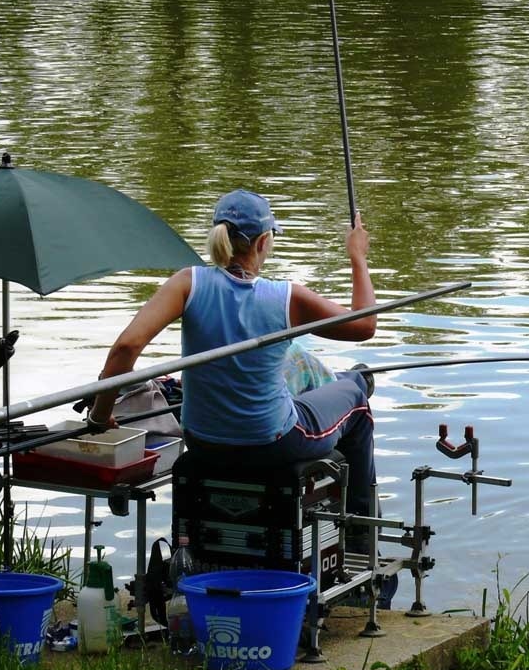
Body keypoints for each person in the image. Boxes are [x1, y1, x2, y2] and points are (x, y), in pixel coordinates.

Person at [88, 189, 378, 525]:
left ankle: (349, 381)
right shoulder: (286, 297)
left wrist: (100, 414)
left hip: (202, 441)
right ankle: (360, 529)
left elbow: (126, 347)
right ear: (262, 243)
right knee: (355, 400)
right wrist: (357, 256)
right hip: (273, 442)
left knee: (309, 377)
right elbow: (364, 326)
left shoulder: (187, 283)